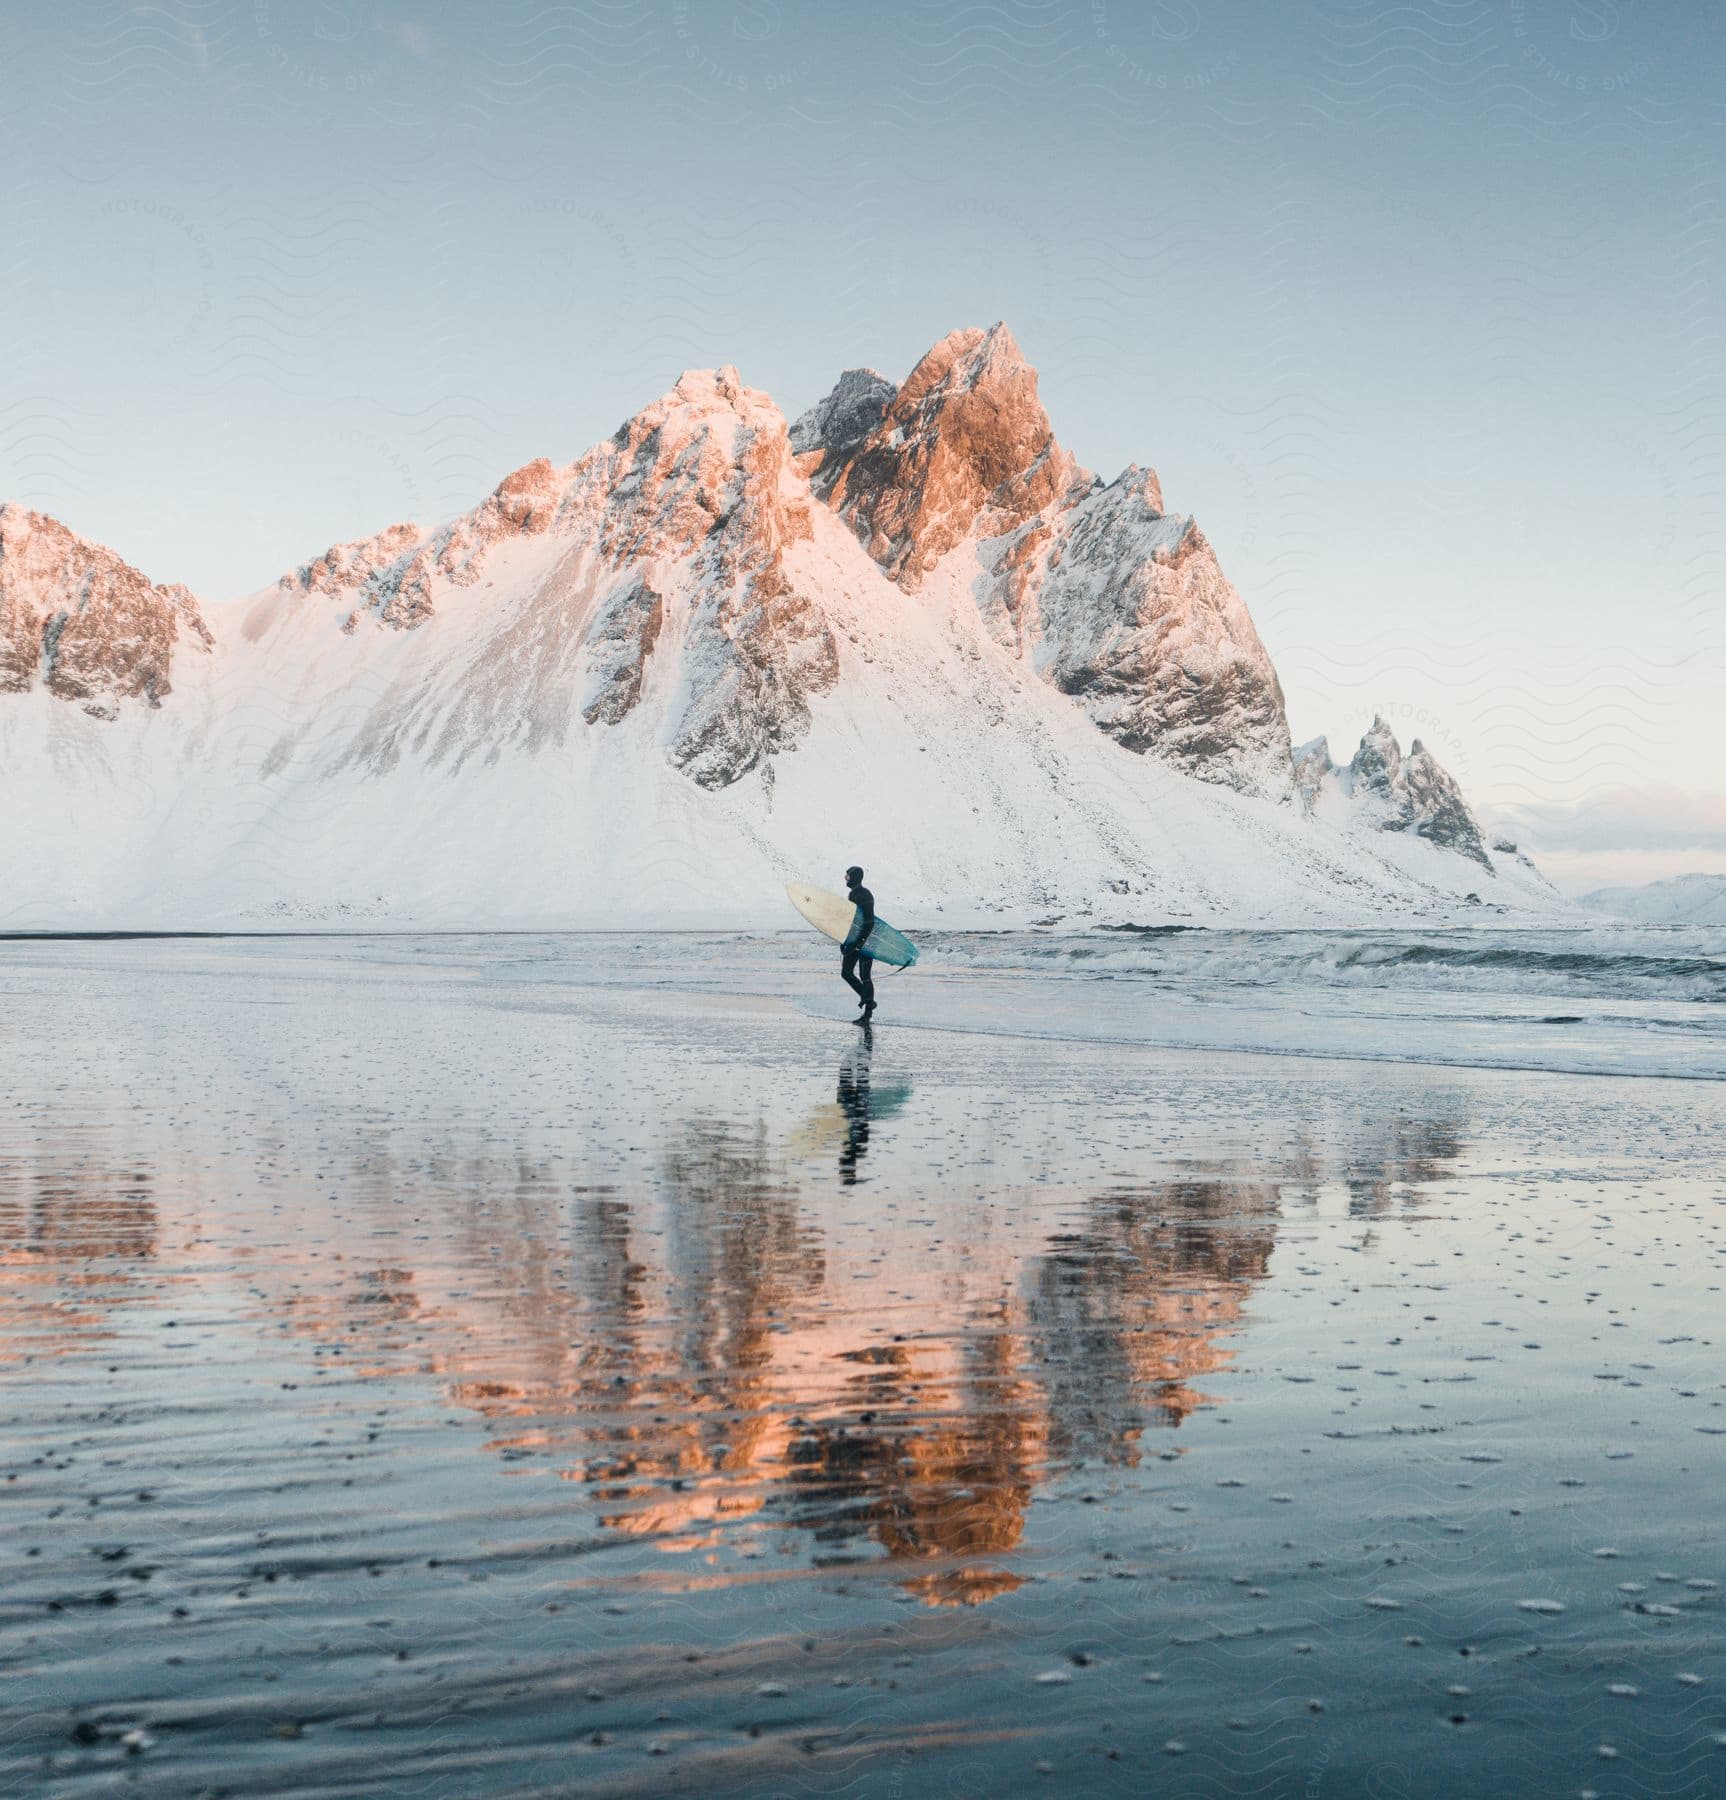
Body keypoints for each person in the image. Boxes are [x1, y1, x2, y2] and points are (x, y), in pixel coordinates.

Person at [840, 864, 876, 1022]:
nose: (845, 878)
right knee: (846, 972)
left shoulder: (865, 895)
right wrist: (845, 941)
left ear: (854, 877)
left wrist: (859, 944)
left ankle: (867, 1014)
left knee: (865, 977)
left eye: (847, 876)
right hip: (855, 940)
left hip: (867, 941)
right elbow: (853, 921)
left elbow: (869, 922)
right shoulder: (853, 894)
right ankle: (868, 1000)